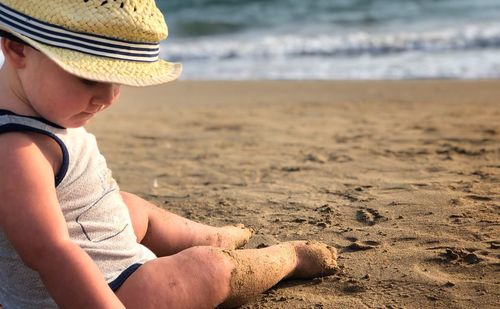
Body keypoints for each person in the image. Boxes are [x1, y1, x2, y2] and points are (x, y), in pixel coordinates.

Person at [0, 1, 338, 308]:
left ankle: (215, 236)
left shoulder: (41, 111)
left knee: (131, 207)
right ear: (17, 49)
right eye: (89, 79)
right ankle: (288, 258)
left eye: (118, 79)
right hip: (104, 289)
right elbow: (52, 253)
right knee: (207, 268)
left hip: (96, 239)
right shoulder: (16, 152)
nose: (107, 97)